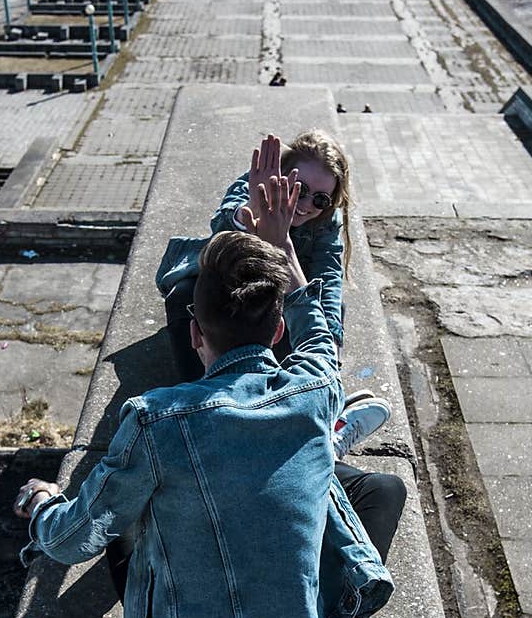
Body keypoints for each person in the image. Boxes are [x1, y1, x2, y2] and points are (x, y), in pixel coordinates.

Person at [15, 181, 405, 618]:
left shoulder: (155, 419)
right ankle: (324, 445)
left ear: (195, 334)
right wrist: (283, 248)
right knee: (378, 488)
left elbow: (74, 539)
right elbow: (321, 329)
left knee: (128, 507)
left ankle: (322, 447)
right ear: (276, 332)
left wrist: (41, 506)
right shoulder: (315, 386)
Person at [156, 131, 391, 457]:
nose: (307, 205)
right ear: (280, 176)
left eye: (320, 199)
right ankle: (202, 402)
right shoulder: (256, 186)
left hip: (275, 308)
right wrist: (254, 209)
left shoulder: (324, 222)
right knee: (185, 296)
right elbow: (223, 223)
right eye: (300, 189)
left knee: (307, 316)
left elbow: (329, 273)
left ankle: (314, 426)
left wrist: (330, 337)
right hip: (232, 300)